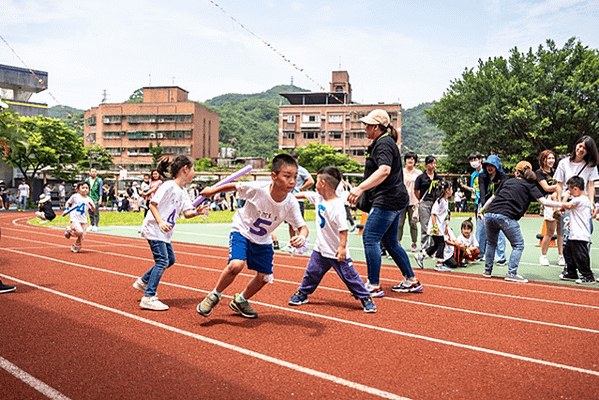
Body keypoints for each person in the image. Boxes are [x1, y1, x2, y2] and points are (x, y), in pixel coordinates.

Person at [197, 154, 309, 319]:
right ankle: (215, 295)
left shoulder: (291, 202)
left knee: (264, 277)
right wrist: (212, 191)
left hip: (263, 239)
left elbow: (303, 227)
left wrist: (302, 236)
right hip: (242, 229)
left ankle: (240, 301)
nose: (292, 181)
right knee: (236, 265)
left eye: (295, 177)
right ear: (274, 176)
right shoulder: (259, 188)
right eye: (287, 176)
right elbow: (235, 186)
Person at [347, 109, 422, 297]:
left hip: (387, 200)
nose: (364, 128)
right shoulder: (382, 143)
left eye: (367, 125)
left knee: (370, 238)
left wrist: (360, 188)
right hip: (394, 199)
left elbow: (384, 170)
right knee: (390, 242)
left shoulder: (384, 144)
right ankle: (411, 281)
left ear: (376, 126)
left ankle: (373, 285)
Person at [288, 166, 376, 313]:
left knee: (350, 277)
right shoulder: (318, 197)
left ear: (323, 184)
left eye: (316, 181)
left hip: (337, 252)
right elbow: (302, 195)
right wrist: (286, 194)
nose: (315, 184)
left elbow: (343, 230)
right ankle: (303, 293)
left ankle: (365, 297)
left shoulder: (337, 207)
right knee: (312, 272)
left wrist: (342, 248)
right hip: (320, 249)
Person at [133, 156, 208, 311]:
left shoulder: (183, 192)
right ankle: (148, 297)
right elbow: (152, 204)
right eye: (193, 169)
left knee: (170, 260)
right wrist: (160, 222)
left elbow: (187, 213)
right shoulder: (168, 186)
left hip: (165, 232)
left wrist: (196, 212)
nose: (194, 173)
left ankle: (143, 281)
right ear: (185, 169)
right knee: (162, 261)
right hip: (155, 228)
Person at [478, 161, 562, 283]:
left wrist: (482, 211)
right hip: (506, 216)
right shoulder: (530, 185)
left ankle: (487, 270)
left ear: (517, 172)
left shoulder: (507, 181)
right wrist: (562, 204)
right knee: (518, 244)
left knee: (491, 243)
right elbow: (544, 202)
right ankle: (511, 273)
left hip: (490, 214)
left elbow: (493, 198)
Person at [554, 135, 599, 275]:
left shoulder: (590, 165)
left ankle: (583, 267)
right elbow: (559, 185)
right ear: (575, 145)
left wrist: (591, 203)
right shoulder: (564, 163)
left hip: (583, 204)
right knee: (568, 235)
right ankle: (570, 268)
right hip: (568, 202)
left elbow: (591, 185)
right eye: (580, 146)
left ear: (589, 151)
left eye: (585, 148)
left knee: (584, 235)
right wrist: (559, 204)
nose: (581, 150)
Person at [558, 176, 595, 284]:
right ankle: (571, 273)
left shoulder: (580, 199)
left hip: (580, 234)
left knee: (580, 256)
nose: (569, 192)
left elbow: (565, 206)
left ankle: (588, 276)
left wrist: (564, 197)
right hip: (574, 233)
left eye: (570, 190)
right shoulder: (582, 200)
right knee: (568, 252)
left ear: (575, 189)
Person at [414, 180, 453, 271]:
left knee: (436, 245)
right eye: (451, 188)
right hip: (436, 227)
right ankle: (439, 264)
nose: (452, 190)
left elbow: (444, 216)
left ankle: (421, 256)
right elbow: (433, 214)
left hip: (440, 226)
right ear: (447, 190)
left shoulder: (445, 201)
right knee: (441, 244)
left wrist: (446, 227)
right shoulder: (439, 202)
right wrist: (435, 227)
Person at [281, 151, 314, 253]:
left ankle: (300, 243)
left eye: (295, 159)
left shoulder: (301, 170)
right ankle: (292, 242)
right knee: (290, 223)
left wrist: (301, 188)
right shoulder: (286, 170)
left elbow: (311, 181)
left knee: (299, 223)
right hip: (288, 199)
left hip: (298, 199)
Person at [536, 150, 564, 266]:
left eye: (553, 158)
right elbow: (546, 188)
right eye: (549, 158)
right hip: (548, 202)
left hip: (559, 200)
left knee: (561, 230)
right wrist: (559, 186)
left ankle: (561, 256)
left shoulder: (555, 172)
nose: (551, 160)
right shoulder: (539, 173)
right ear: (543, 160)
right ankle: (543, 255)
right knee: (550, 231)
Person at [478, 155, 507, 264]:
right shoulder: (482, 176)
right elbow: (482, 192)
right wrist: (484, 206)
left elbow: (499, 193)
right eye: (487, 165)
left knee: (499, 231)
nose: (489, 167)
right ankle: (479, 253)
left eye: (492, 165)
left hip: (498, 205)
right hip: (484, 205)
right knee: (481, 230)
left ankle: (501, 256)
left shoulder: (503, 177)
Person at [414, 155, 440, 250]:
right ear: (426, 164)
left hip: (435, 203)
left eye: (435, 163)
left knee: (434, 225)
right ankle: (425, 247)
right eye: (432, 163)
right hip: (425, 202)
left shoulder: (438, 177)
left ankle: (433, 247)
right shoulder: (421, 178)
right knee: (425, 226)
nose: (434, 165)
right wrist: (420, 200)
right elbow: (416, 191)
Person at [398, 151, 421, 252]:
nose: (410, 160)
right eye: (408, 158)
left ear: (415, 161)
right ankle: (398, 242)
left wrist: (420, 199)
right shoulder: (400, 172)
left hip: (414, 201)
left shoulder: (419, 173)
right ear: (405, 160)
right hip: (402, 201)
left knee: (413, 223)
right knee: (399, 223)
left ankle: (414, 243)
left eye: (412, 159)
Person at [460, 152, 484, 251]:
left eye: (475, 160)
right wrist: (465, 187)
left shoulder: (485, 173)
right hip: (476, 202)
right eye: (471, 160)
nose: (473, 162)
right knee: (480, 227)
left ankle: (479, 251)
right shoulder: (474, 174)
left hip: (484, 202)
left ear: (480, 160)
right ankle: (480, 250)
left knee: (482, 228)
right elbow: (475, 189)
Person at [63, 181, 96, 253]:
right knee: (79, 231)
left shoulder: (89, 199)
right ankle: (69, 230)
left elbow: (93, 210)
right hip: (75, 218)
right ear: (78, 189)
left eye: (87, 188)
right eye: (83, 188)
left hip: (84, 220)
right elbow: (68, 202)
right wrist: (66, 209)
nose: (85, 189)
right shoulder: (75, 196)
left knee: (82, 236)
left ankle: (76, 246)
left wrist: (92, 205)